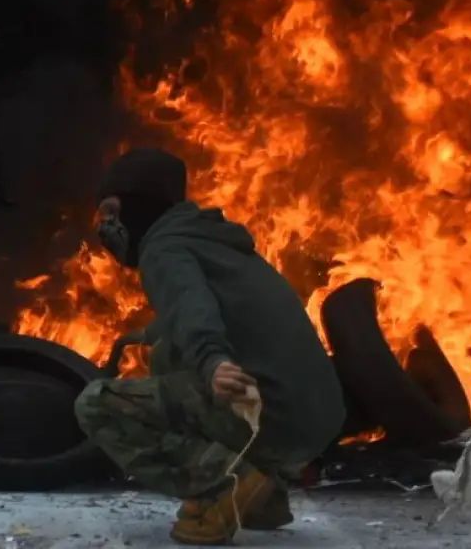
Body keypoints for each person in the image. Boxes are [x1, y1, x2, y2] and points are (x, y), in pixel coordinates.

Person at [74, 148, 346, 545]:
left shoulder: (163, 248)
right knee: (167, 352)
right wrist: (142, 337)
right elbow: (209, 307)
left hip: (270, 415)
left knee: (95, 405)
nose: (107, 227)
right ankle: (265, 497)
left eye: (111, 212)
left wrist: (212, 362)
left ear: (137, 206)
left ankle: (224, 487)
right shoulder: (212, 240)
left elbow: (193, 307)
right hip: (313, 418)